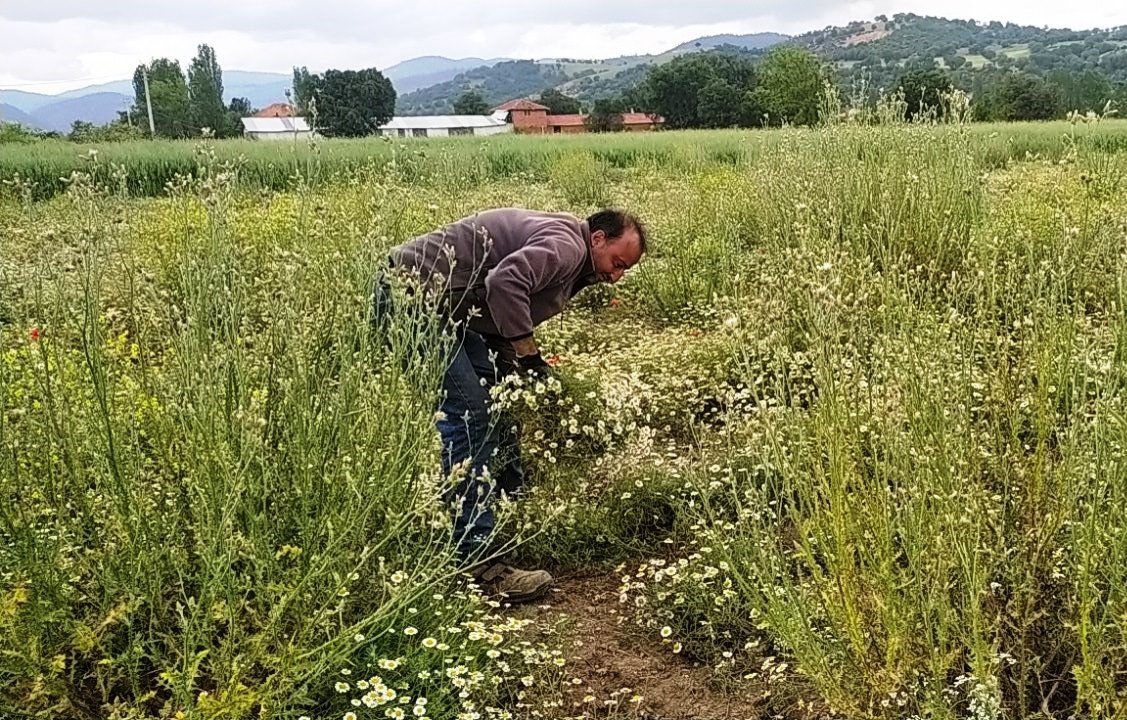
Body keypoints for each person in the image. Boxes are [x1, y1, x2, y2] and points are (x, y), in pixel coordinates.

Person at [379, 207, 646, 602]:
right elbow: (505, 283)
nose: (616, 275)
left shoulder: (569, 249)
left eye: (625, 270)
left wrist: (512, 362)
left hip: (446, 308)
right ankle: (477, 562)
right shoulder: (567, 246)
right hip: (410, 297)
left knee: (500, 396)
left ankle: (509, 502)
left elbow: (490, 304)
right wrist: (530, 356)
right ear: (598, 239)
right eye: (617, 263)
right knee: (472, 415)